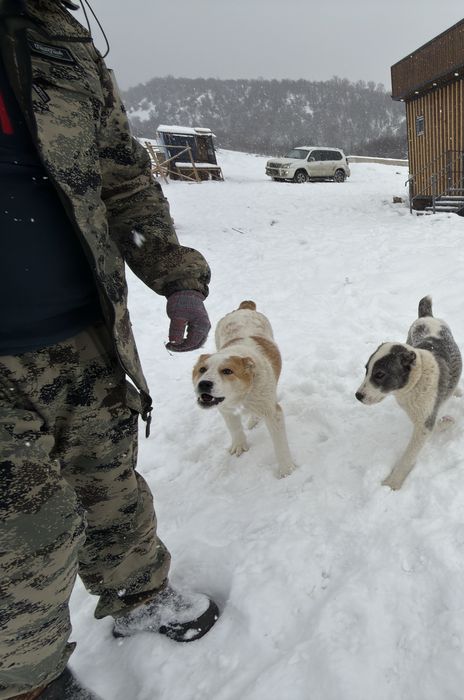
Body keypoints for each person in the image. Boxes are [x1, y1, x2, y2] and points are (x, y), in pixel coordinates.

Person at [1, 1, 220, 697]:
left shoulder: (56, 34)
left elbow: (121, 177)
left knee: (109, 481)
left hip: (84, 333)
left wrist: (177, 277)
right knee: (23, 531)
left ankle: (138, 596)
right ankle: (28, 684)